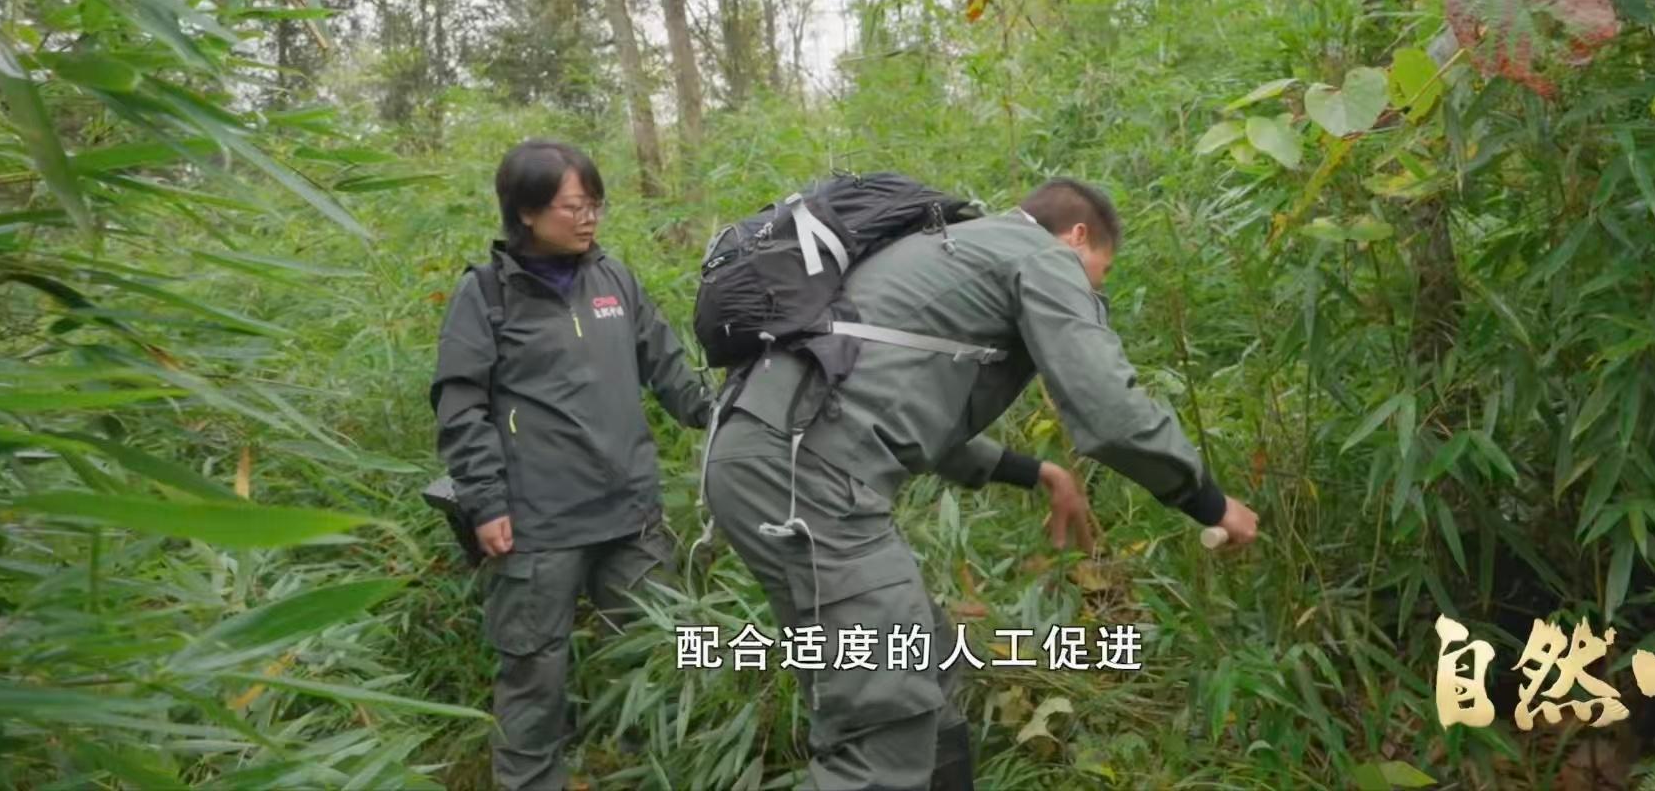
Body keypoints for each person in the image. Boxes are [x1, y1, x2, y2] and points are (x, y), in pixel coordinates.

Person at [701, 176, 1260, 791]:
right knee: (883, 730)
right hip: (809, 481)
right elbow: (1111, 412)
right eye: (1100, 274)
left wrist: (1035, 471)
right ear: (1077, 236)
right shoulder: (1040, 256)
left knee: (926, 669)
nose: (1095, 289)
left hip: (770, 462)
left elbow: (903, 406)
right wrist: (1209, 502)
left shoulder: (952, 249)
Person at [431, 139, 714, 791]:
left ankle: (656, 774)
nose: (589, 218)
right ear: (526, 212)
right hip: (537, 525)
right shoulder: (486, 296)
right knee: (533, 678)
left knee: (660, 658)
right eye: (573, 206)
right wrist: (486, 502)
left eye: (596, 205)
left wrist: (735, 416)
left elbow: (672, 372)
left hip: (631, 516)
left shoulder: (615, 280)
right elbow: (460, 404)